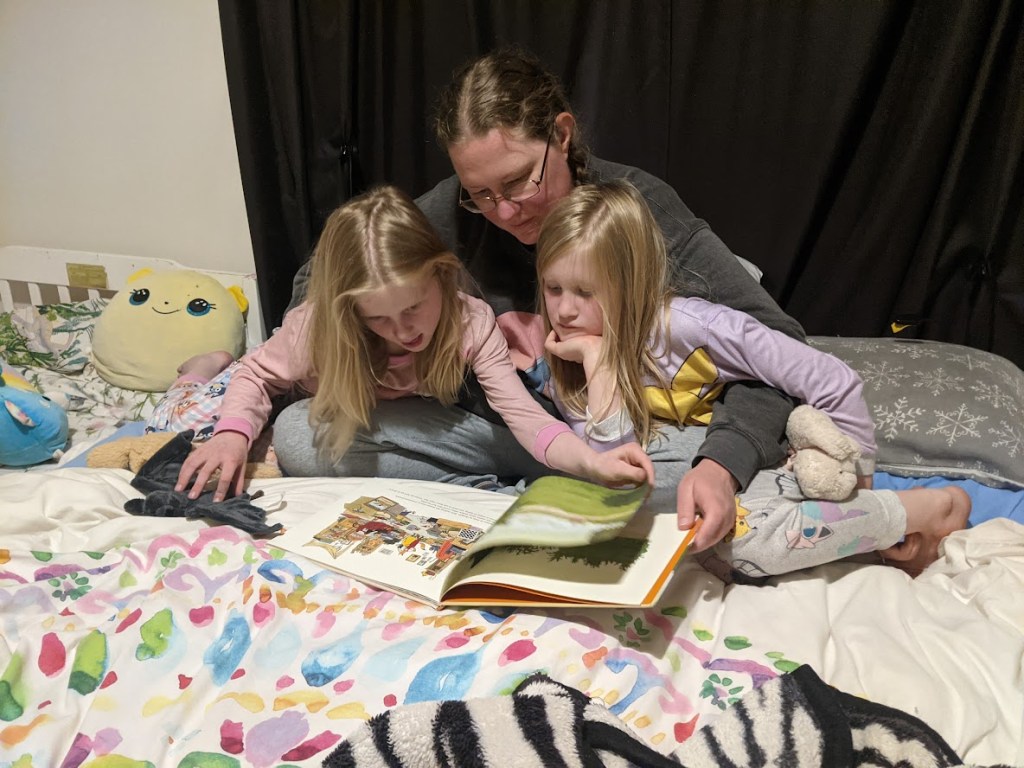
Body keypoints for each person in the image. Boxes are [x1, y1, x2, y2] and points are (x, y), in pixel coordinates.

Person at [284, 46, 805, 553]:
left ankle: (520, 494)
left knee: (698, 470)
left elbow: (780, 342)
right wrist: (377, 347)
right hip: (499, 433)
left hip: (618, 438)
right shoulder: (448, 211)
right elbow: (320, 281)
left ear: (561, 134)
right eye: (480, 193)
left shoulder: (635, 212)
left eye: (518, 181)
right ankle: (529, 495)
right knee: (300, 435)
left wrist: (721, 463)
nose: (504, 212)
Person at [535, 179, 970, 579]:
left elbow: (832, 379)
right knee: (649, 513)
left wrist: (860, 484)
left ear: (631, 284)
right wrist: (598, 362)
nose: (565, 311)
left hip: (764, 457)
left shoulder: (693, 326)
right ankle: (870, 532)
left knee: (747, 546)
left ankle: (921, 510)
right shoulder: (570, 359)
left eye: (585, 293)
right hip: (688, 478)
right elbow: (621, 478)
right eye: (553, 290)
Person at [171, 185, 653, 502]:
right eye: (377, 318)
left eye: (414, 308)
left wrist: (591, 460)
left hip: (415, 420)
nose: (403, 332)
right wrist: (232, 435)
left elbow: (523, 416)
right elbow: (256, 376)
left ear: (441, 277)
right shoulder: (315, 328)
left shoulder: (469, 318)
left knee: (544, 449)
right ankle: (203, 367)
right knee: (280, 432)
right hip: (336, 412)